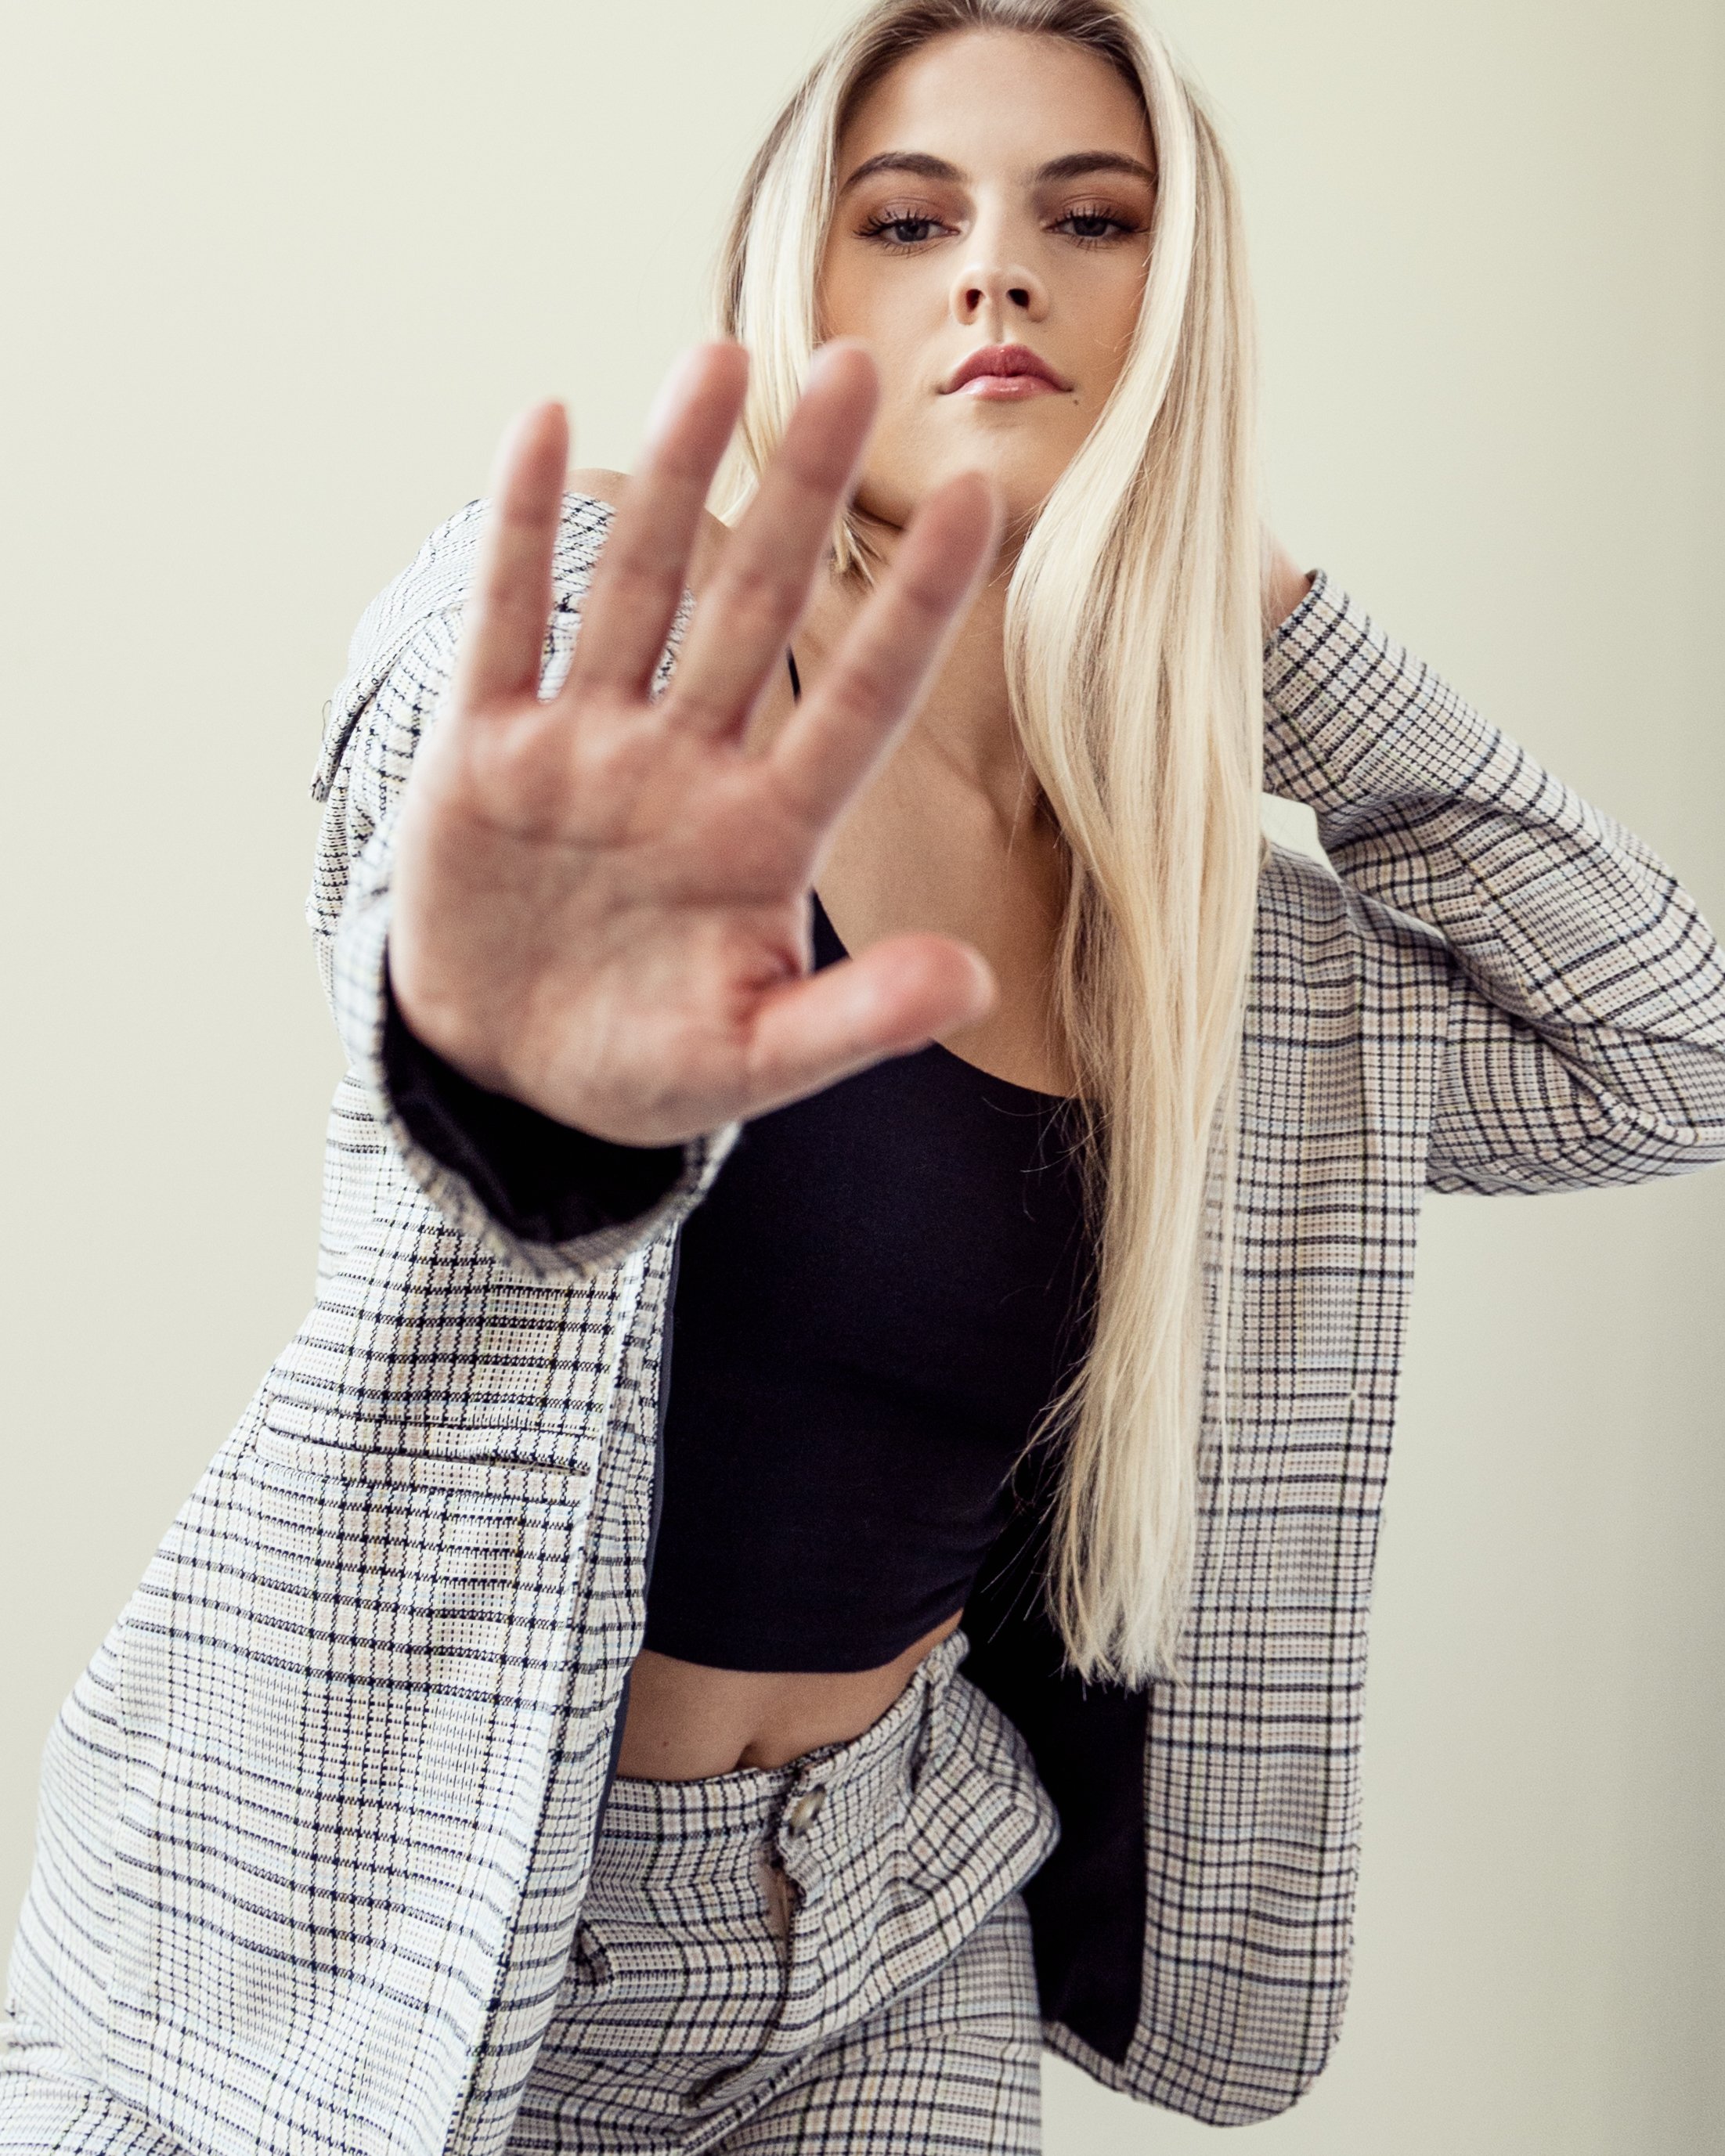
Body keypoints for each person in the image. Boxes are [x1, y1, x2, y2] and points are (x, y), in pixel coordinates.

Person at [5, 1, 1724, 2150]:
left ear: (1178, 310)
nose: (994, 272)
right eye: (905, 219)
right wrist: (512, 1092)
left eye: (1088, 221)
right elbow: (420, 967)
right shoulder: (595, 679)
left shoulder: (1215, 939)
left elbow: (1671, 1045)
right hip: (421, 1902)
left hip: (888, 1913)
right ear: (791, 287)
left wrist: (1260, 614)